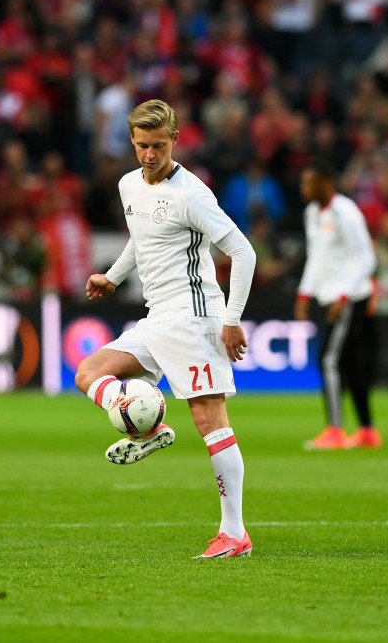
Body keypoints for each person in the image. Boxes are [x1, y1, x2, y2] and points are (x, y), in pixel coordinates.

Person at [74, 100, 257, 559]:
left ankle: (234, 533)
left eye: (158, 145)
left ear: (174, 139)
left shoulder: (192, 194)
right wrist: (113, 277)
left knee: (209, 421)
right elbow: (141, 239)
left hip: (195, 319)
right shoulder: (128, 184)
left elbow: (243, 252)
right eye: (141, 146)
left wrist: (232, 318)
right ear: (131, 141)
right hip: (156, 318)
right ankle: (146, 426)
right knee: (88, 372)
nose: (149, 155)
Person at [295, 161, 381, 450]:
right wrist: (304, 293)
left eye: (309, 183)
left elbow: (367, 259)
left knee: (328, 360)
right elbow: (316, 257)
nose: (303, 188)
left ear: (326, 183)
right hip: (331, 296)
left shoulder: (346, 212)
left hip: (350, 298)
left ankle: (335, 430)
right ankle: (367, 431)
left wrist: (344, 295)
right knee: (351, 364)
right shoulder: (312, 213)